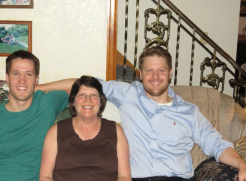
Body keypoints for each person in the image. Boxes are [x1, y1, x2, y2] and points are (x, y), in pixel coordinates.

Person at [37, 46, 246, 181]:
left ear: (170, 73)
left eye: (161, 70)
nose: (155, 77)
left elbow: (216, 144)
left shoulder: (189, 112)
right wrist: (39, 88)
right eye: (149, 70)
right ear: (140, 74)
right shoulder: (127, 93)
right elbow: (83, 84)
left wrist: (242, 165)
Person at [0, 50, 69, 181]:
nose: (22, 80)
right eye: (16, 73)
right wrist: (27, 85)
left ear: (37, 79)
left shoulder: (46, 103)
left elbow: (83, 86)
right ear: (7, 78)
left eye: (28, 74)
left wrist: (36, 87)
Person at [39, 76, 131, 181]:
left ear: (101, 102)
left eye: (93, 95)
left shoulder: (116, 131)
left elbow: (124, 177)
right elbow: (45, 177)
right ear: (73, 102)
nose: (88, 100)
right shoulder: (55, 131)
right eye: (82, 95)